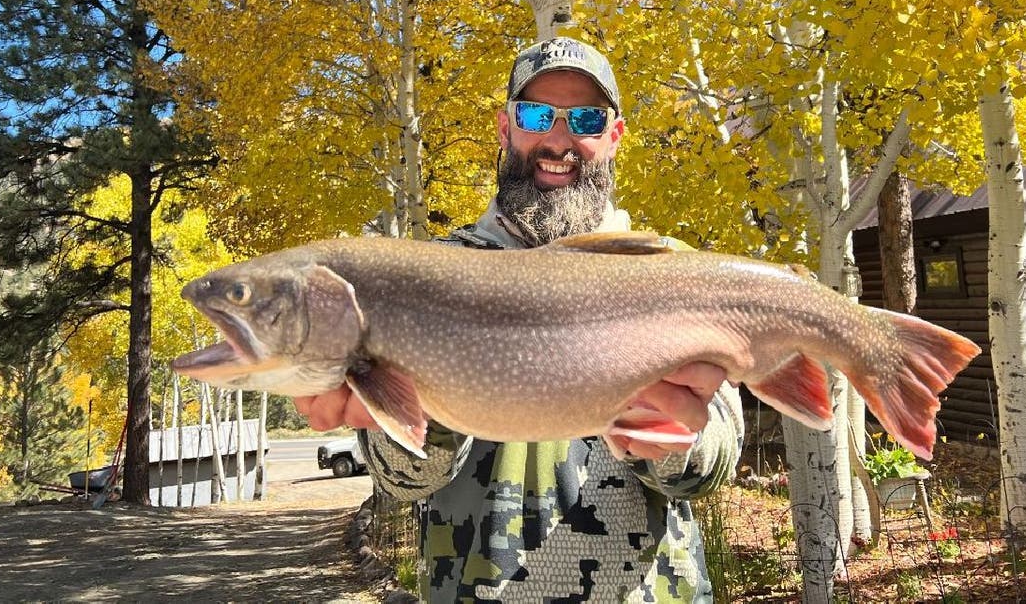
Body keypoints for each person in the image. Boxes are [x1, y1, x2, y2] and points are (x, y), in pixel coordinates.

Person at [295, 37, 745, 603]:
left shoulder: (671, 271)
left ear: (613, 135)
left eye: (584, 117)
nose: (557, 139)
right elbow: (402, 481)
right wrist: (429, 401)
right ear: (506, 128)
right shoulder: (426, 277)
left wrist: (675, 441)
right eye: (535, 114)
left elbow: (711, 469)